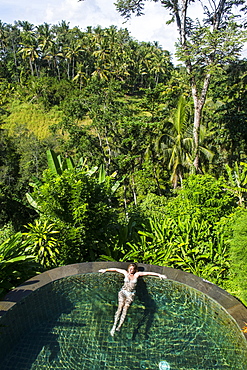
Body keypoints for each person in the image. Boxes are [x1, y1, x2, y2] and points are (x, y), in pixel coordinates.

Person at [99, 263, 167, 336]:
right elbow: (116, 269)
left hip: (131, 294)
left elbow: (147, 273)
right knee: (120, 307)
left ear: (135, 270)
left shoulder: (136, 275)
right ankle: (114, 326)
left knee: (125, 309)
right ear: (128, 268)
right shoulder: (125, 273)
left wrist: (159, 275)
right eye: (130, 269)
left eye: (133, 269)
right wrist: (105, 270)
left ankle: (119, 326)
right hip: (123, 292)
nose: (131, 270)